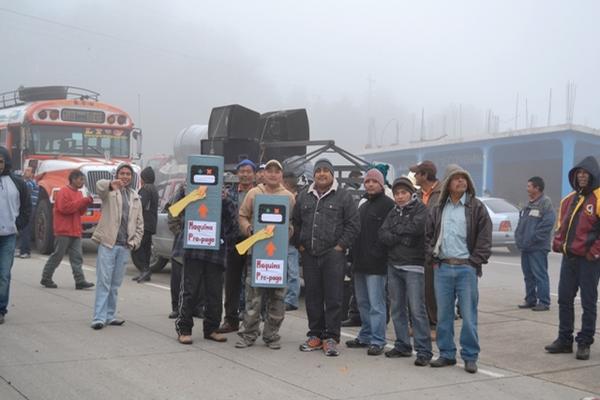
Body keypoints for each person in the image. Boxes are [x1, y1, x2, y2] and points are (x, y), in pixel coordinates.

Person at [425, 164, 492, 373]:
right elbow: (427, 235)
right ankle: (446, 354)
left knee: (469, 316)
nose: (461, 181)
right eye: (456, 178)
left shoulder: (476, 207)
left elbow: (484, 236)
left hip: (466, 270)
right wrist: (432, 256)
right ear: (448, 183)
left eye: (464, 178)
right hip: (443, 268)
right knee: (443, 315)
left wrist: (474, 262)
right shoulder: (438, 207)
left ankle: (470, 356)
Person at [293, 158, 360, 356]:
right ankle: (315, 334)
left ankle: (331, 337)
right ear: (313, 174)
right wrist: (301, 245)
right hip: (310, 255)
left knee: (334, 298)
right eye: (318, 170)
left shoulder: (344, 196)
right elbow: (296, 223)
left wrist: (340, 246)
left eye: (326, 170)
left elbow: (353, 224)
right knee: (313, 297)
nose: (322, 173)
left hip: (333, 256)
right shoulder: (304, 195)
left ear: (331, 174)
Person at [235, 159, 295, 350]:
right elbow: (242, 215)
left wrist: (289, 231)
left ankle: (271, 335)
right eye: (269, 171)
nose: (272, 174)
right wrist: (249, 229)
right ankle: (248, 334)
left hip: (279, 256)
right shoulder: (254, 193)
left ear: (281, 175)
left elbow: (293, 222)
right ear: (264, 174)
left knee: (277, 297)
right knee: (254, 296)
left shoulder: (289, 197)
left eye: (277, 172)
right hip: (257, 254)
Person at [545, 156, 600, 361]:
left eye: (586, 173)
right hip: (569, 259)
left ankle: (584, 342)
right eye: (579, 173)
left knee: (588, 302)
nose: (582, 176)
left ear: (594, 175)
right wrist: (558, 243)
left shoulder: (599, 197)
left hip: (590, 261)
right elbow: (561, 226)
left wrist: (593, 252)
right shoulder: (568, 199)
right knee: (564, 300)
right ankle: (564, 339)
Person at [174, 184, 238, 344]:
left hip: (215, 253)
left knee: (214, 293)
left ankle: (211, 329)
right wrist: (188, 193)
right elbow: (175, 211)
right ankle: (184, 329)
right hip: (194, 249)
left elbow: (232, 222)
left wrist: (224, 200)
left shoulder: (225, 198)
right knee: (190, 290)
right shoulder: (187, 190)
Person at [379, 177, 432, 366]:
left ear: (411, 193)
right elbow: (383, 234)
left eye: (403, 193)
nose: (400, 197)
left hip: (414, 267)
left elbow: (417, 228)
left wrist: (396, 233)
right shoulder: (393, 212)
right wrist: (401, 236)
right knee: (397, 309)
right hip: (394, 265)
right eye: (397, 194)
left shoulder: (421, 210)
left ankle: (424, 351)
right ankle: (402, 345)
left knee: (417, 310)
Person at [345, 168, 394, 356]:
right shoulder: (363, 206)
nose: (370, 184)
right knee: (363, 303)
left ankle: (378, 340)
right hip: (359, 263)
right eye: (367, 182)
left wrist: (378, 254)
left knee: (376, 304)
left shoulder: (388, 205)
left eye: (374, 181)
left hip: (377, 265)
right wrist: (351, 259)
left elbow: (387, 236)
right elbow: (355, 234)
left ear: (381, 184)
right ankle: (365, 336)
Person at [90, 163, 144, 330]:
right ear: (117, 174)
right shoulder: (110, 192)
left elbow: (140, 224)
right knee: (103, 282)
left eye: (128, 174)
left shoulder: (135, 196)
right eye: (122, 173)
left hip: (124, 246)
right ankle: (98, 318)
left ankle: (110, 315)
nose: (125, 176)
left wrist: (134, 242)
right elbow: (98, 186)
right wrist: (111, 184)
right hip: (108, 244)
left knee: (115, 284)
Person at [217, 159, 257, 333]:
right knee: (231, 283)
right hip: (233, 243)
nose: (245, 174)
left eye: (249, 171)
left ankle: (250, 322)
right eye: (242, 171)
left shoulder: (259, 194)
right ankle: (231, 320)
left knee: (252, 286)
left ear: (254, 174)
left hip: (253, 244)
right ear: (237, 174)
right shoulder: (228, 194)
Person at [40, 169, 95, 290]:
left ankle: (80, 281)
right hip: (64, 230)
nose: (82, 182)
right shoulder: (63, 191)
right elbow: (65, 208)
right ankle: (46, 277)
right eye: (81, 179)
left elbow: (80, 211)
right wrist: (83, 201)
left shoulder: (79, 193)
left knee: (77, 257)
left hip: (75, 229)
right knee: (58, 255)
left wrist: (85, 203)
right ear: (74, 179)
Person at [0, 147, 31, 324]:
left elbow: (27, 208)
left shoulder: (18, 183)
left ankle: (1, 309)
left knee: (4, 274)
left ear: (6, 162)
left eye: (1, 161)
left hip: (8, 237)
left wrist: (18, 225)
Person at [514, 176, 555, 311]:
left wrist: (533, 239)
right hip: (526, 247)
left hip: (537, 247)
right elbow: (522, 223)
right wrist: (519, 238)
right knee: (528, 275)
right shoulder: (528, 204)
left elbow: (548, 224)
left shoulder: (545, 203)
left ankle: (544, 302)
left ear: (537, 188)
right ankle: (530, 300)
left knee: (540, 274)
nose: (527, 189)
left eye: (529, 186)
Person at [410, 160, 441, 337]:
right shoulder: (417, 194)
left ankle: (435, 325)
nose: (414, 176)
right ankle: (418, 323)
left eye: (417, 173)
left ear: (425, 175)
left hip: (434, 248)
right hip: (417, 248)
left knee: (432, 289)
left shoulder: (442, 193)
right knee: (418, 289)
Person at [131, 166, 159, 283]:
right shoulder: (154, 189)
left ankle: (144, 270)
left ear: (144, 178)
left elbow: (140, 205)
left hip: (144, 223)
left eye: (141, 178)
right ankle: (145, 271)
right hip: (151, 223)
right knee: (146, 249)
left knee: (137, 248)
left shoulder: (146, 189)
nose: (140, 180)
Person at [282, 170, 301, 311]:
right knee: (289, 271)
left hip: (291, 240)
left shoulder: (296, 199)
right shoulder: (295, 197)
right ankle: (287, 298)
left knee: (292, 271)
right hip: (285, 239)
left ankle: (291, 300)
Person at [18, 166, 38, 258]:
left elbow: (25, 193)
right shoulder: (27, 182)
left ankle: (25, 251)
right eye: (25, 170)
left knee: (25, 229)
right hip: (27, 208)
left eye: (28, 171)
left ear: (32, 174)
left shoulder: (31, 183)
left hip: (30, 208)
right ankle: (23, 250)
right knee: (23, 229)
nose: (25, 172)